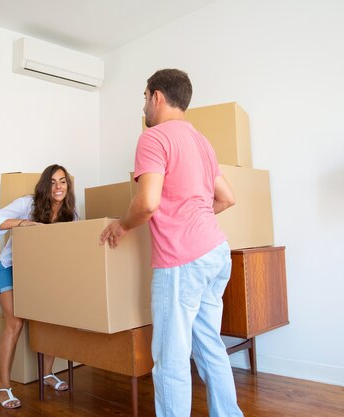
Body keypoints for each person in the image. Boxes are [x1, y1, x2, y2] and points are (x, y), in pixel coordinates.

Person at [99, 69, 243, 417]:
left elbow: (147, 203)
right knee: (210, 346)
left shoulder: (153, 138)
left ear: (157, 96)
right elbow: (226, 198)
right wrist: (193, 217)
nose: (145, 106)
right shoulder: (201, 141)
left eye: (145, 98)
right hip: (216, 252)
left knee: (170, 360)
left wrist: (122, 225)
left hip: (182, 262)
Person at [0, 164, 76, 409]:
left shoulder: (70, 214)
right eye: (53, 182)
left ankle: (46, 374)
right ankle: (3, 388)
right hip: (9, 269)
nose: (58, 187)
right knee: (15, 324)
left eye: (63, 181)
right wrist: (22, 224)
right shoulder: (29, 204)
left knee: (49, 320)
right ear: (46, 185)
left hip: (38, 272)